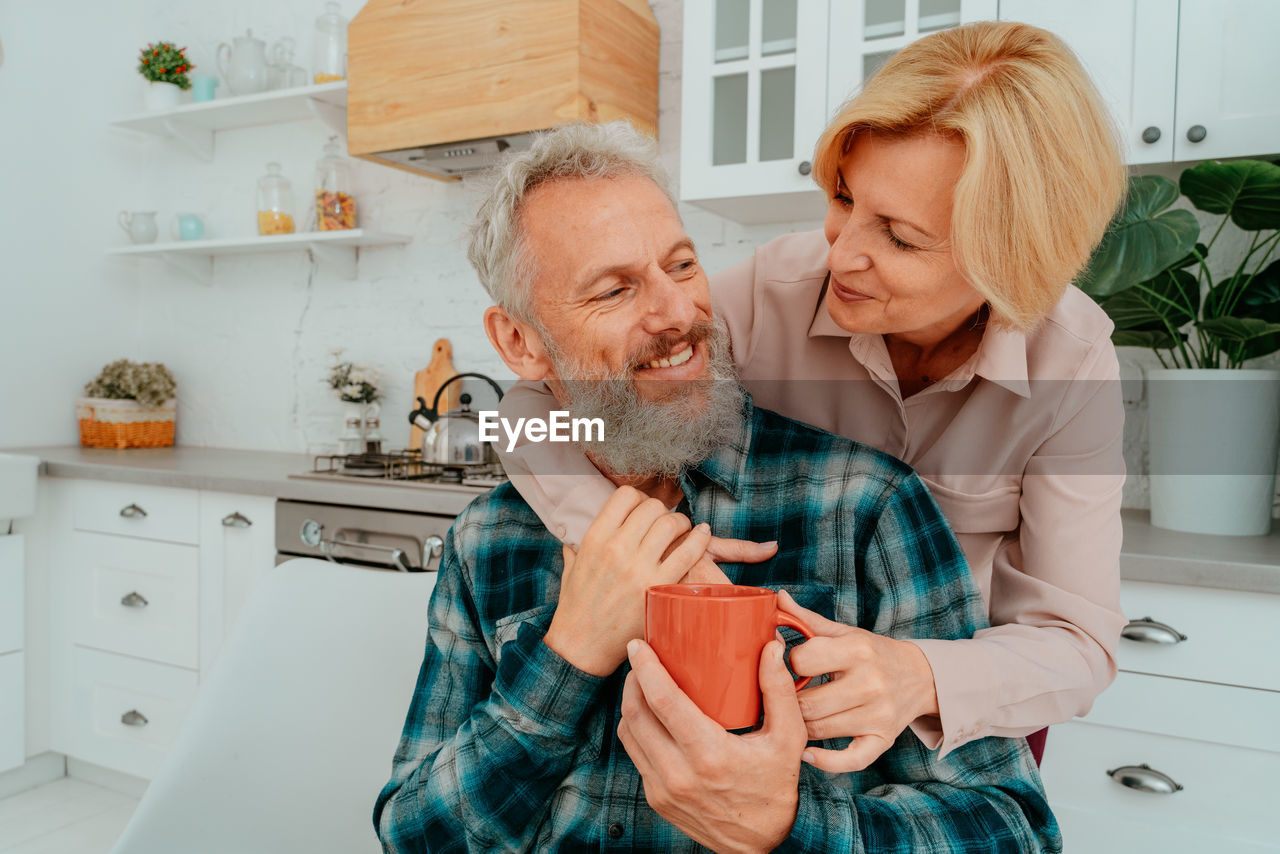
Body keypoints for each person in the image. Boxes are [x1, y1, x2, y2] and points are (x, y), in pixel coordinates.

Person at [374, 122, 1060, 852]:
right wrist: (567, 654)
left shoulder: (865, 505)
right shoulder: (486, 542)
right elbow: (413, 837)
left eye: (682, 265)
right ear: (519, 342)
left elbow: (1014, 831)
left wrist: (787, 827)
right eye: (615, 289)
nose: (678, 314)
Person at [496, 20, 1129, 769]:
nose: (843, 250)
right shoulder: (774, 293)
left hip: (951, 720)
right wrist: (628, 541)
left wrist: (916, 675)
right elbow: (519, 412)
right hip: (767, 703)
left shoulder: (1074, 362)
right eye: (842, 197)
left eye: (897, 236)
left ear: (1009, 258)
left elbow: (1076, 642)